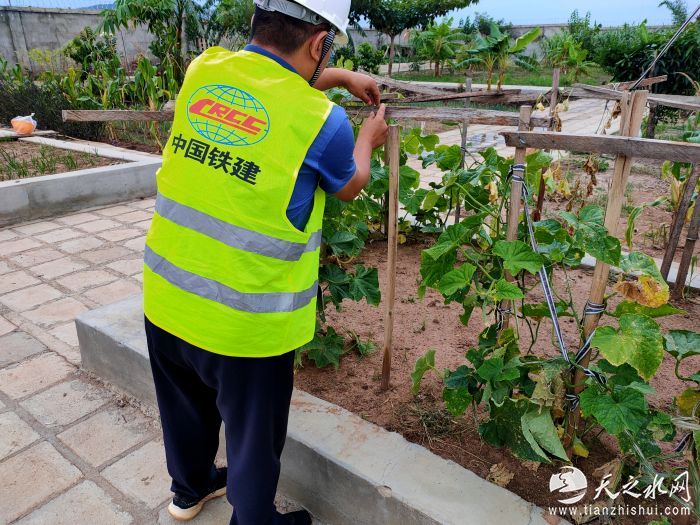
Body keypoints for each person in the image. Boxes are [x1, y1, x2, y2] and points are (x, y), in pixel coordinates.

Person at [142, 0, 389, 523]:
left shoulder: (204, 69)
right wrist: (367, 139)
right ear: (318, 43)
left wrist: (338, 75)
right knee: (254, 437)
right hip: (245, 324)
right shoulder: (325, 122)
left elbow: (262, 89)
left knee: (183, 409)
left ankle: (189, 492)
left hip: (167, 296)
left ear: (257, 21)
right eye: (327, 53)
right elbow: (348, 185)